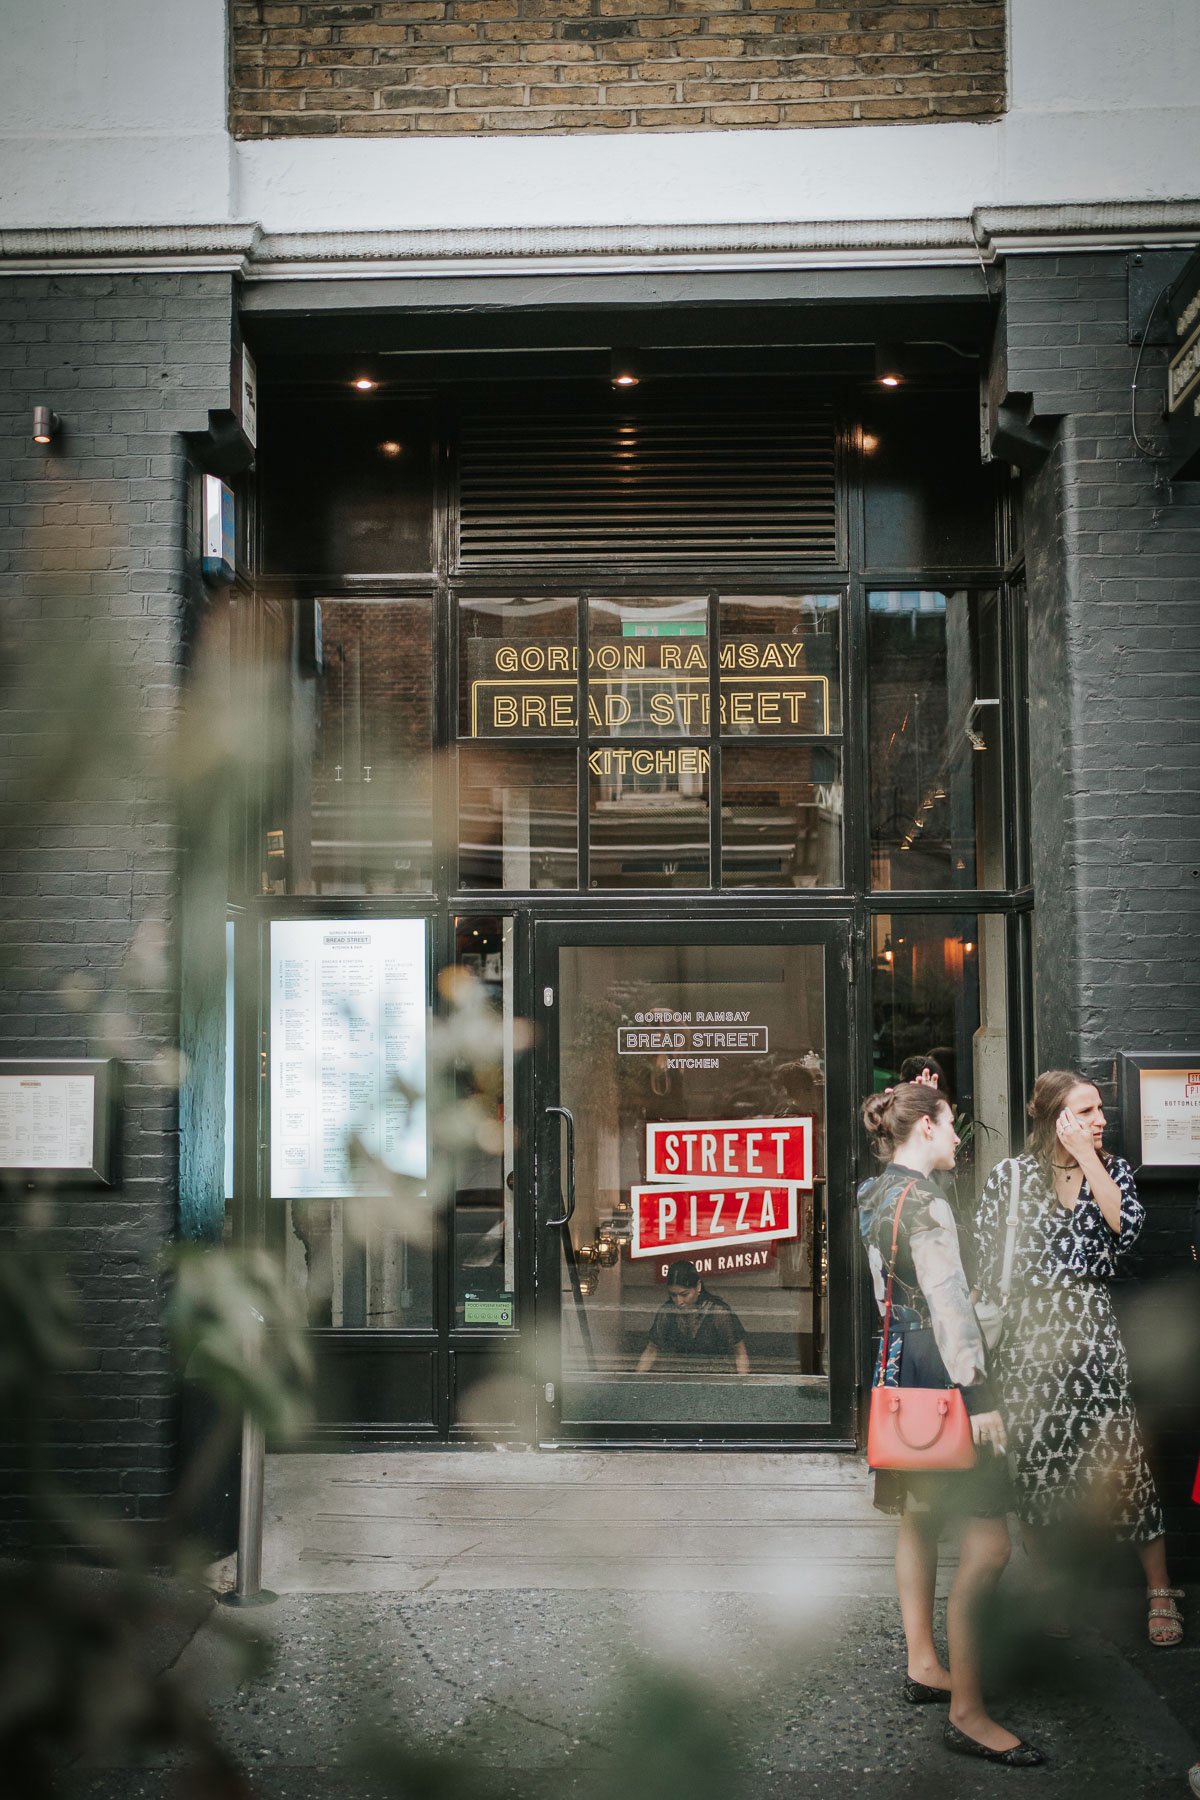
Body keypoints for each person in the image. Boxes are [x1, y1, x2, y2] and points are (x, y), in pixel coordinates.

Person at [859, 1083, 1043, 1767]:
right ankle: (967, 1712)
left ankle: (923, 1663)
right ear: (929, 1127)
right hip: (944, 1376)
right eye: (953, 1128)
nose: (961, 1140)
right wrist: (982, 1395)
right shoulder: (930, 1202)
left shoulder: (873, 1193)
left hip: (900, 1374)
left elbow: (892, 1298)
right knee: (990, 1543)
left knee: (918, 1516)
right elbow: (948, 1307)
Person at [974, 1070, 1183, 1647]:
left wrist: (1088, 1158)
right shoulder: (1009, 1179)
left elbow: (1127, 1230)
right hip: (1026, 1345)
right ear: (1052, 1117)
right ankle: (1054, 1588)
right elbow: (990, 1267)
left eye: (1099, 1110)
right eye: (1085, 1111)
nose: (1100, 1119)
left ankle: (1159, 1588)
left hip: (1093, 1338)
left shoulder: (1111, 1171)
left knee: (1124, 1468)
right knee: (1038, 1472)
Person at [636, 1260, 750, 1374]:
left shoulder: (718, 1312)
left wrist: (743, 1386)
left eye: (684, 1294)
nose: (679, 1301)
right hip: (680, 1378)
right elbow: (651, 1349)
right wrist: (636, 1381)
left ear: (698, 1286)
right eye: (673, 1295)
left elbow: (739, 1351)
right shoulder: (668, 1311)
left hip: (716, 1379)